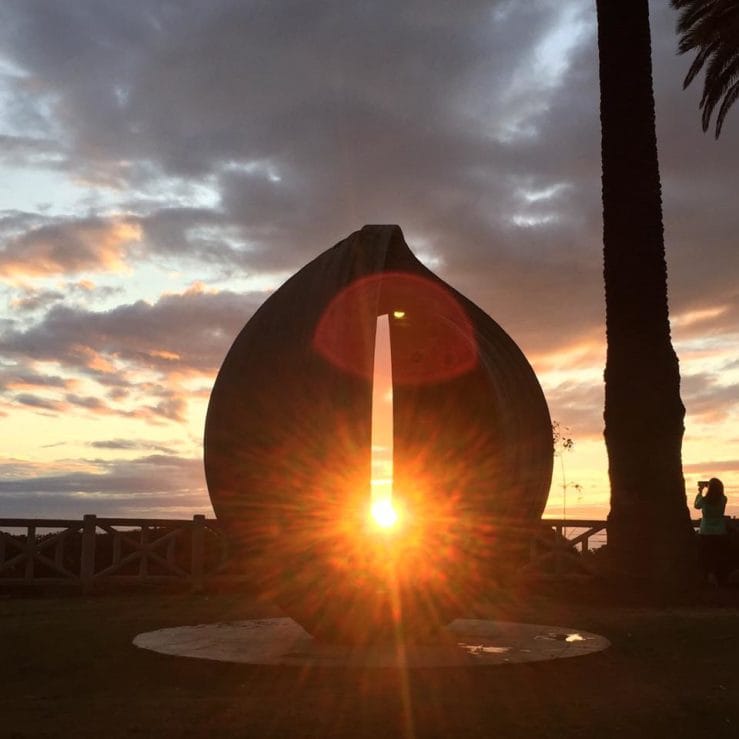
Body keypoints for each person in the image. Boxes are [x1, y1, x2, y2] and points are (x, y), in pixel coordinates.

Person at [694, 478, 729, 585]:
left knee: (706, 555)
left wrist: (700, 491)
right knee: (718, 555)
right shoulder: (723, 499)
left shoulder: (704, 501)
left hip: (705, 531)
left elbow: (696, 505)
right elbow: (718, 494)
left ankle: (708, 577)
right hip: (720, 531)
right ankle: (718, 578)